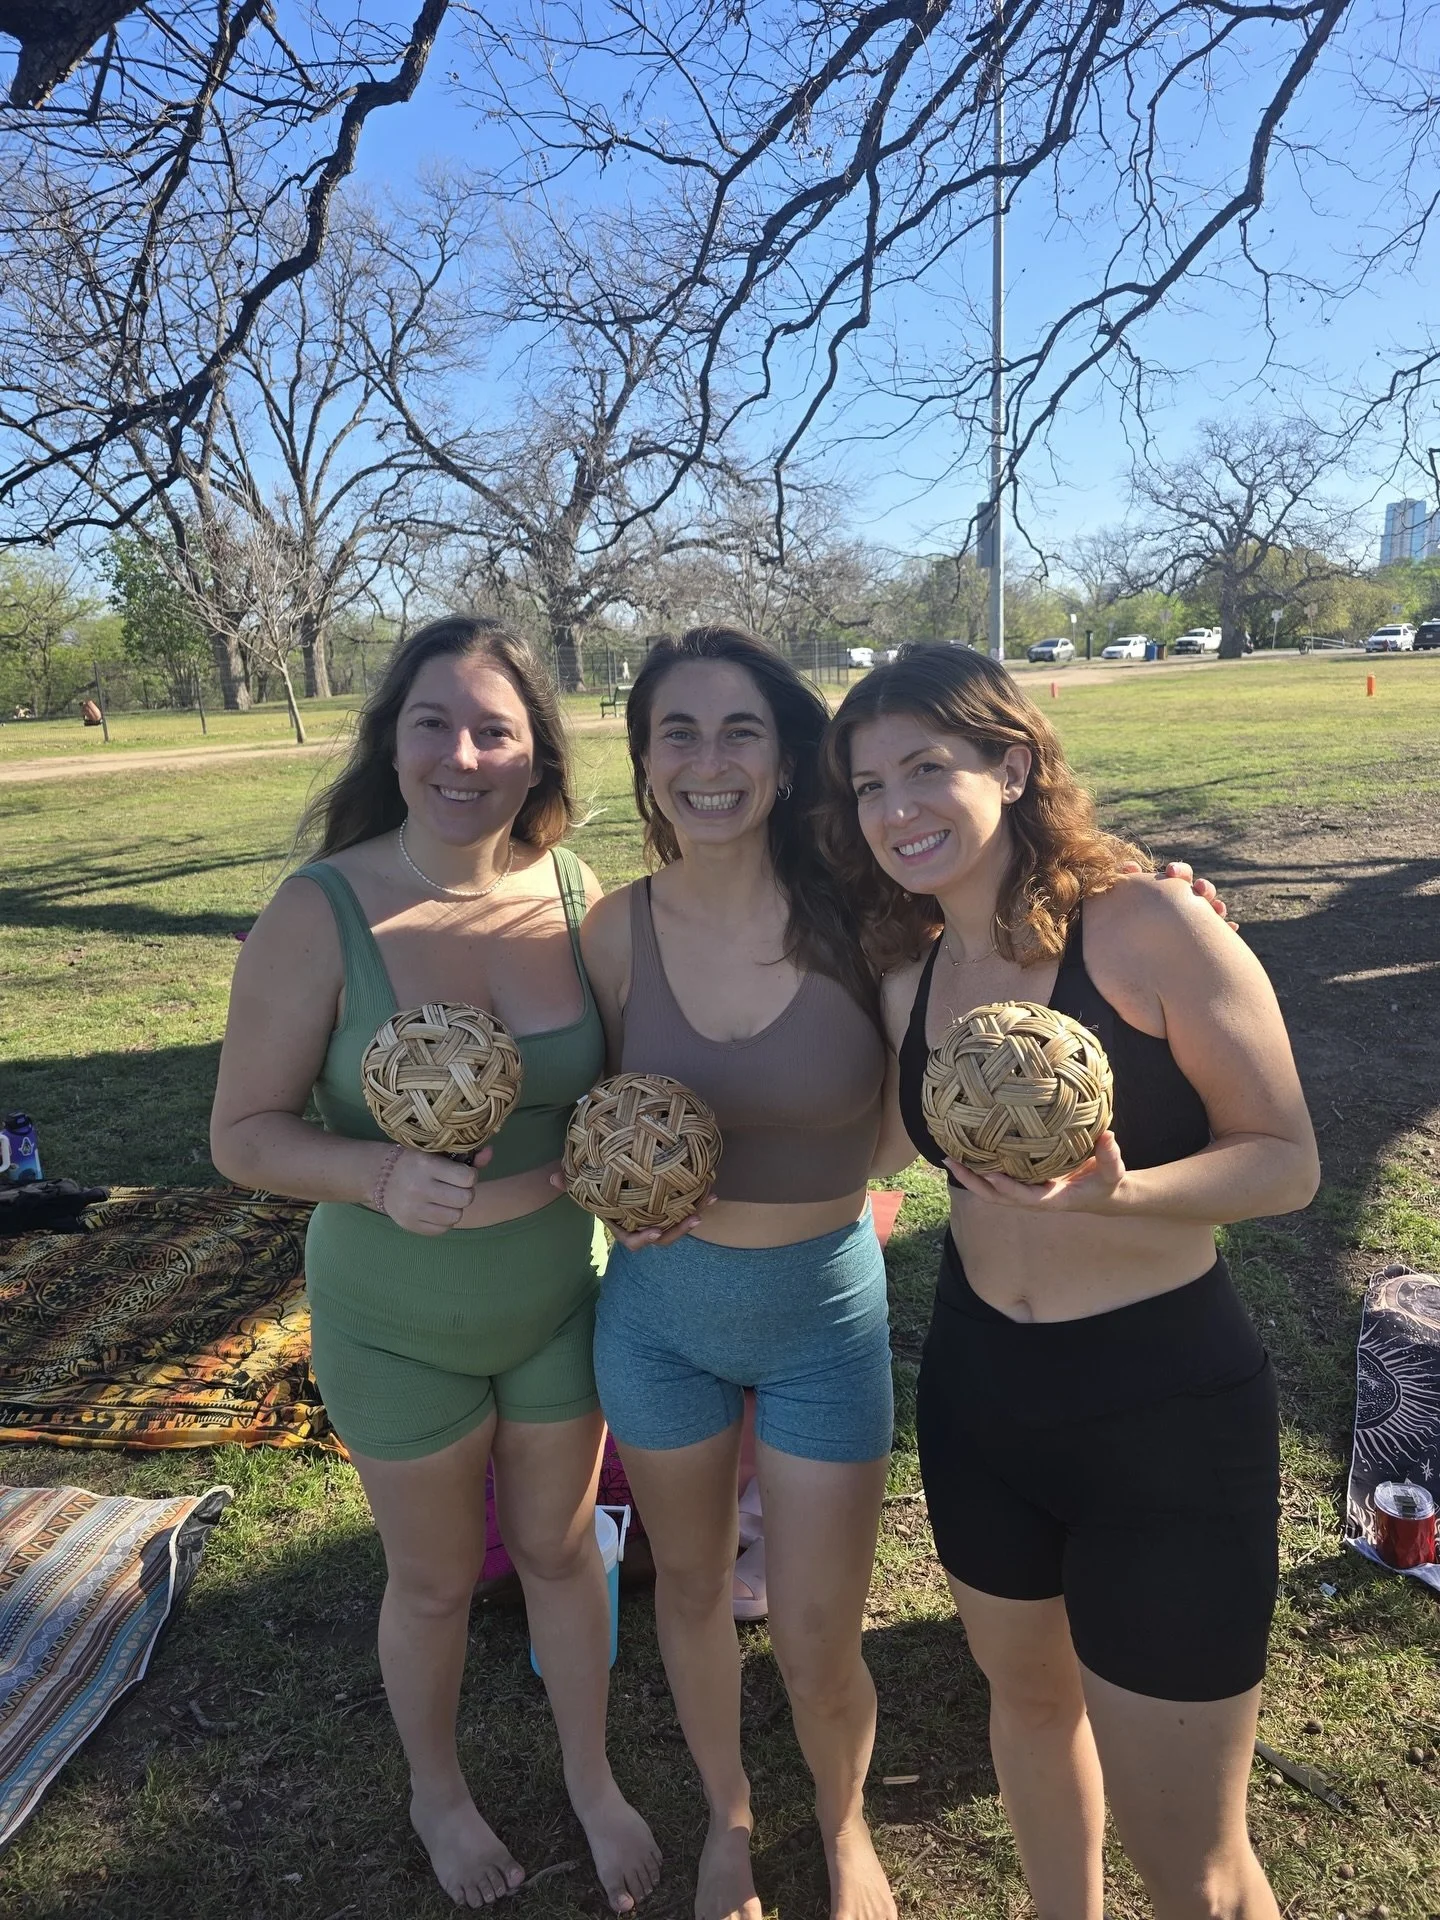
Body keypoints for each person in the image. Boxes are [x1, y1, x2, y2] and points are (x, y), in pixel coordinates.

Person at [818, 643, 1320, 1920]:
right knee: (1032, 1713)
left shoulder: (1149, 926)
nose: (896, 808)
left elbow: (1285, 1162)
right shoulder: (907, 975)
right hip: (983, 1399)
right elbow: (864, 1150)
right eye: (869, 785)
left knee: (1193, 1862)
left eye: (926, 767)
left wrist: (1120, 1194)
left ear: (1012, 764)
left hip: (1164, 1410)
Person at [210, 616, 660, 1914]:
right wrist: (374, 1174)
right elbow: (242, 1135)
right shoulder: (320, 910)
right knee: (433, 1579)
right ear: (392, 742)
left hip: (556, 1304)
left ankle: (592, 1778)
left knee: (564, 1551)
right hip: (391, 1318)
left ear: (537, 755)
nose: (462, 756)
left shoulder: (579, 896)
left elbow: (647, 1058)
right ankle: (438, 1793)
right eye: (434, 724)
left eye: (493, 731)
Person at [576, 627, 907, 1920]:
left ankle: (844, 1825)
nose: (707, 761)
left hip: (825, 1319)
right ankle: (729, 1817)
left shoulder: (865, 914)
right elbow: (582, 1107)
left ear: (784, 759)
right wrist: (618, 1193)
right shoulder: (614, 931)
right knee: (695, 1588)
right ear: (646, 762)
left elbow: (984, 1008)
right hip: (661, 1325)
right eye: (679, 733)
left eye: (739, 732)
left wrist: (1159, 898)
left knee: (821, 1636)